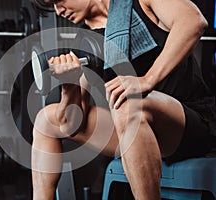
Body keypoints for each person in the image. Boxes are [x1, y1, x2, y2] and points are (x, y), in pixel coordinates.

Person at [30, 0, 216, 199]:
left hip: (188, 121)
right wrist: (69, 85)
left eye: (59, 1)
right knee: (45, 121)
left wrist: (147, 80)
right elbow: (71, 124)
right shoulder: (84, 41)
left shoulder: (141, 3)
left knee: (128, 104)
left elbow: (193, 21)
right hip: (134, 127)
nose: (59, 11)